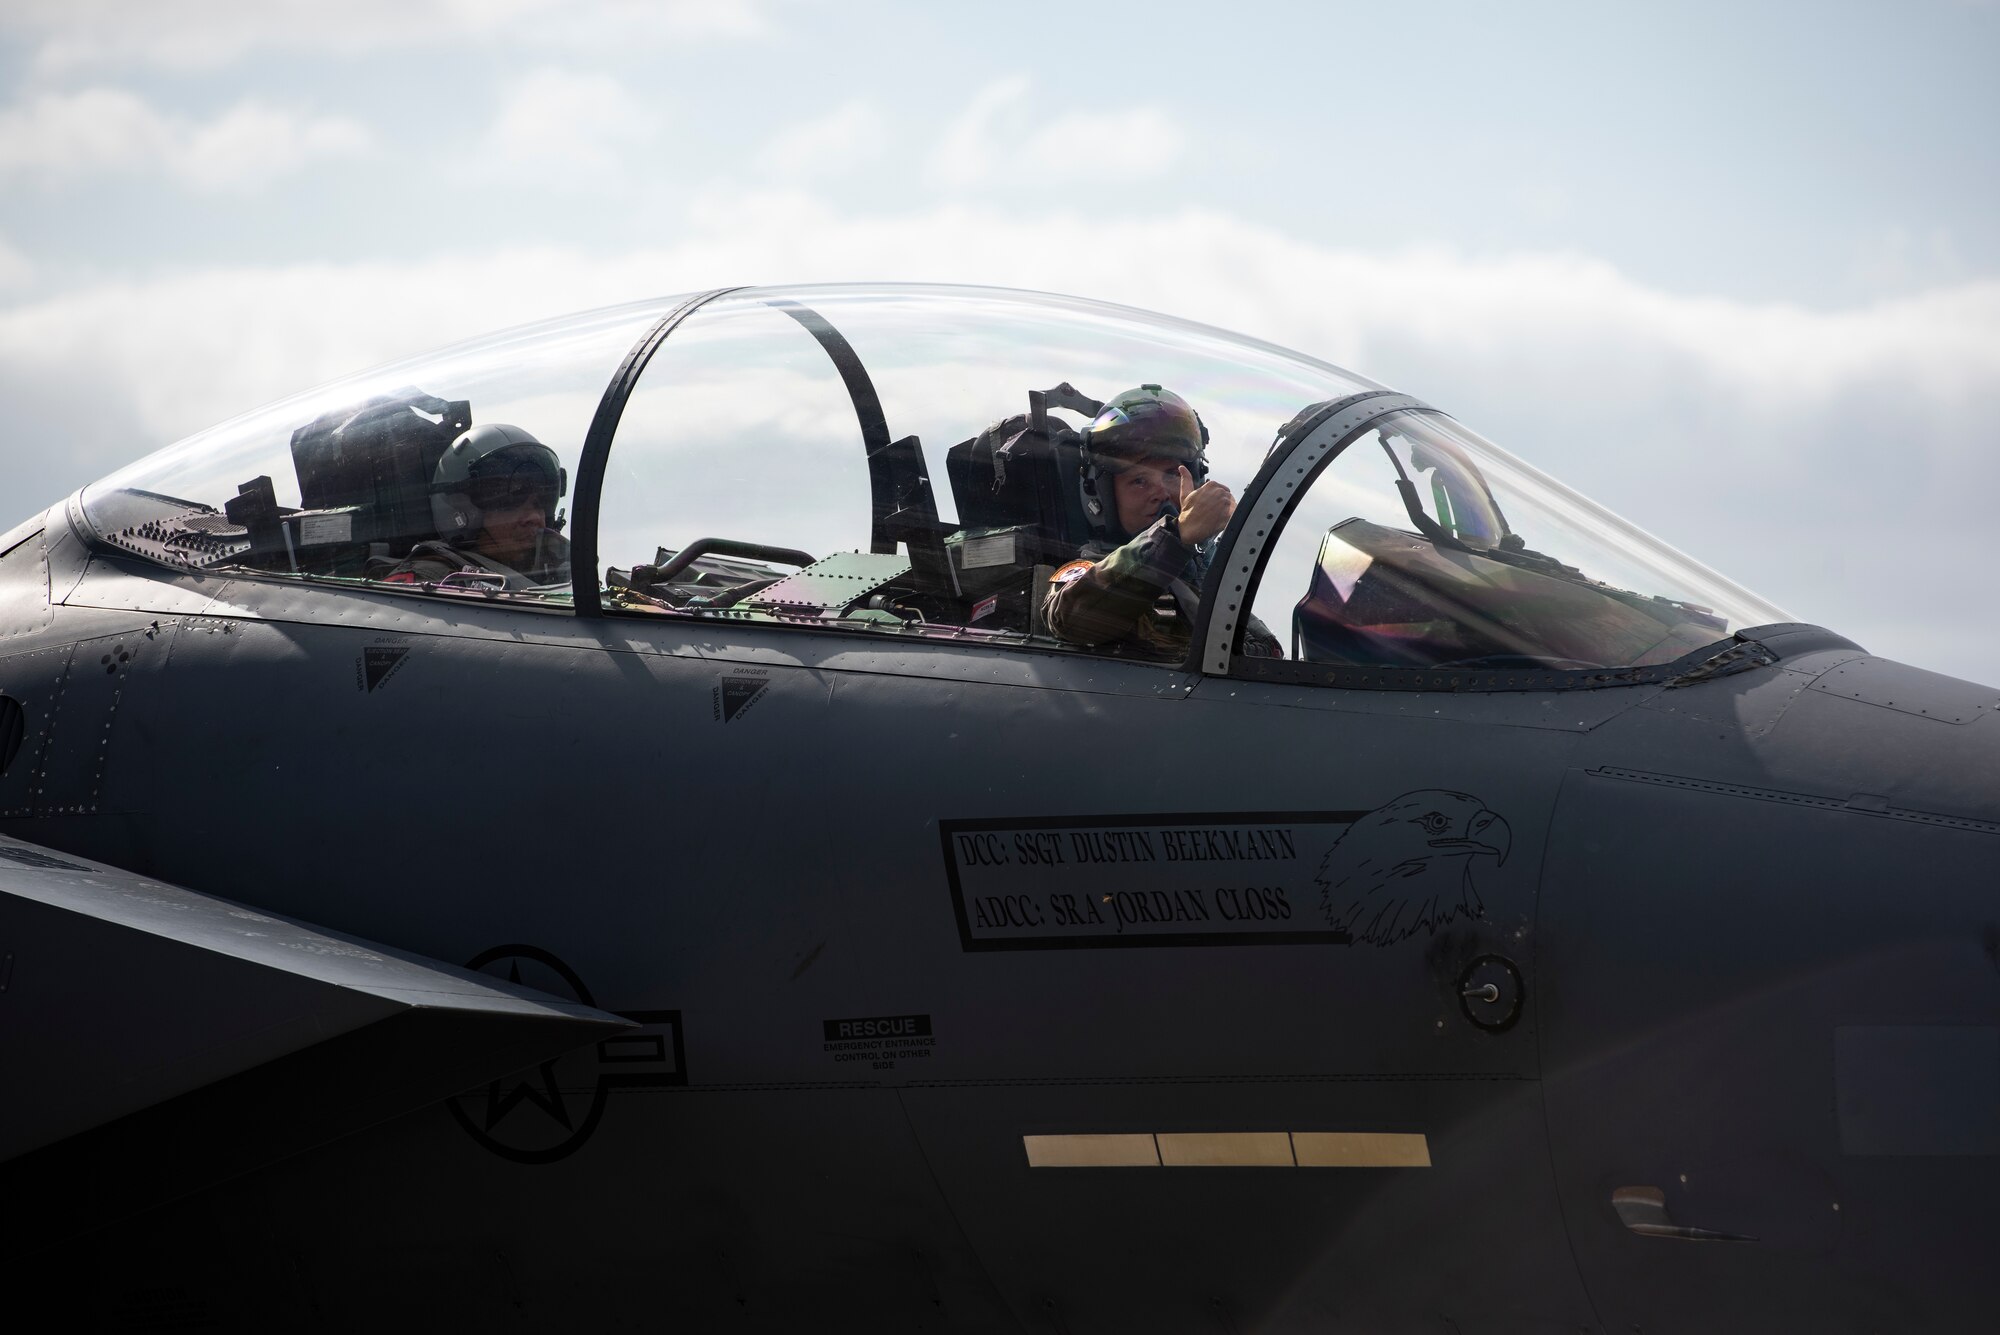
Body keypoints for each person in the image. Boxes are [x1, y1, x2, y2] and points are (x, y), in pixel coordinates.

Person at [1043, 385, 1280, 659]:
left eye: (1172, 474)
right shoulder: (1092, 570)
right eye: (1139, 481)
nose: (1162, 493)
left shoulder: (1203, 577)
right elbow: (1069, 619)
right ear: (1101, 495)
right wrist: (1176, 536)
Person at [374, 423, 570, 589]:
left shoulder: (560, 575)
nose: (535, 517)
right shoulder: (431, 581)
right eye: (511, 502)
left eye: (540, 503)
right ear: (463, 509)